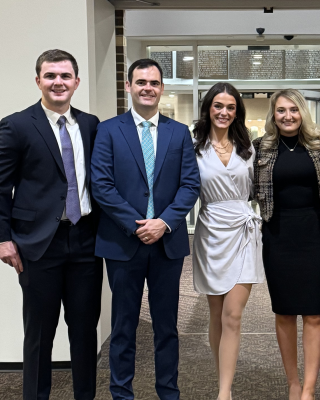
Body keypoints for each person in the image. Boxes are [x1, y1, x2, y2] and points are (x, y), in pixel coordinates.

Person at [0, 49, 103, 400]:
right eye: (50, 76)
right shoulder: (17, 125)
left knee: (84, 331)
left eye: (65, 76)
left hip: (85, 242)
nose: (58, 82)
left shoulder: (91, 124)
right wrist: (1, 238)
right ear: (38, 81)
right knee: (39, 333)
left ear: (76, 82)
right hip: (38, 246)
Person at [91, 58, 200, 400]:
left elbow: (190, 185)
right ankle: (121, 393)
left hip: (167, 243)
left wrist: (163, 222)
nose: (148, 88)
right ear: (129, 86)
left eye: (154, 82)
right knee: (123, 326)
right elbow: (101, 185)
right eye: (141, 82)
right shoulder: (108, 130)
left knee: (167, 327)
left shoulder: (179, 132)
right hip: (123, 243)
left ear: (162, 88)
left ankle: (168, 391)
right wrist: (137, 225)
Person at [253, 89, 320, 400]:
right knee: (285, 312)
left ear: (303, 112)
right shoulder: (260, 148)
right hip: (277, 235)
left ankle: (309, 389)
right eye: (281, 110)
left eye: (293, 110)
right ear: (273, 115)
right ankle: (293, 384)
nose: (287, 116)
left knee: (315, 313)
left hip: (317, 235)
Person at [192, 82, 264, 400]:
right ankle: (225, 378)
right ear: (208, 108)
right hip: (210, 233)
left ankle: (224, 393)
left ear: (238, 111)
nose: (224, 112)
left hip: (245, 231)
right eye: (218, 106)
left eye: (231, 107)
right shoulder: (193, 146)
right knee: (216, 313)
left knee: (233, 314)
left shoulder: (248, 147)